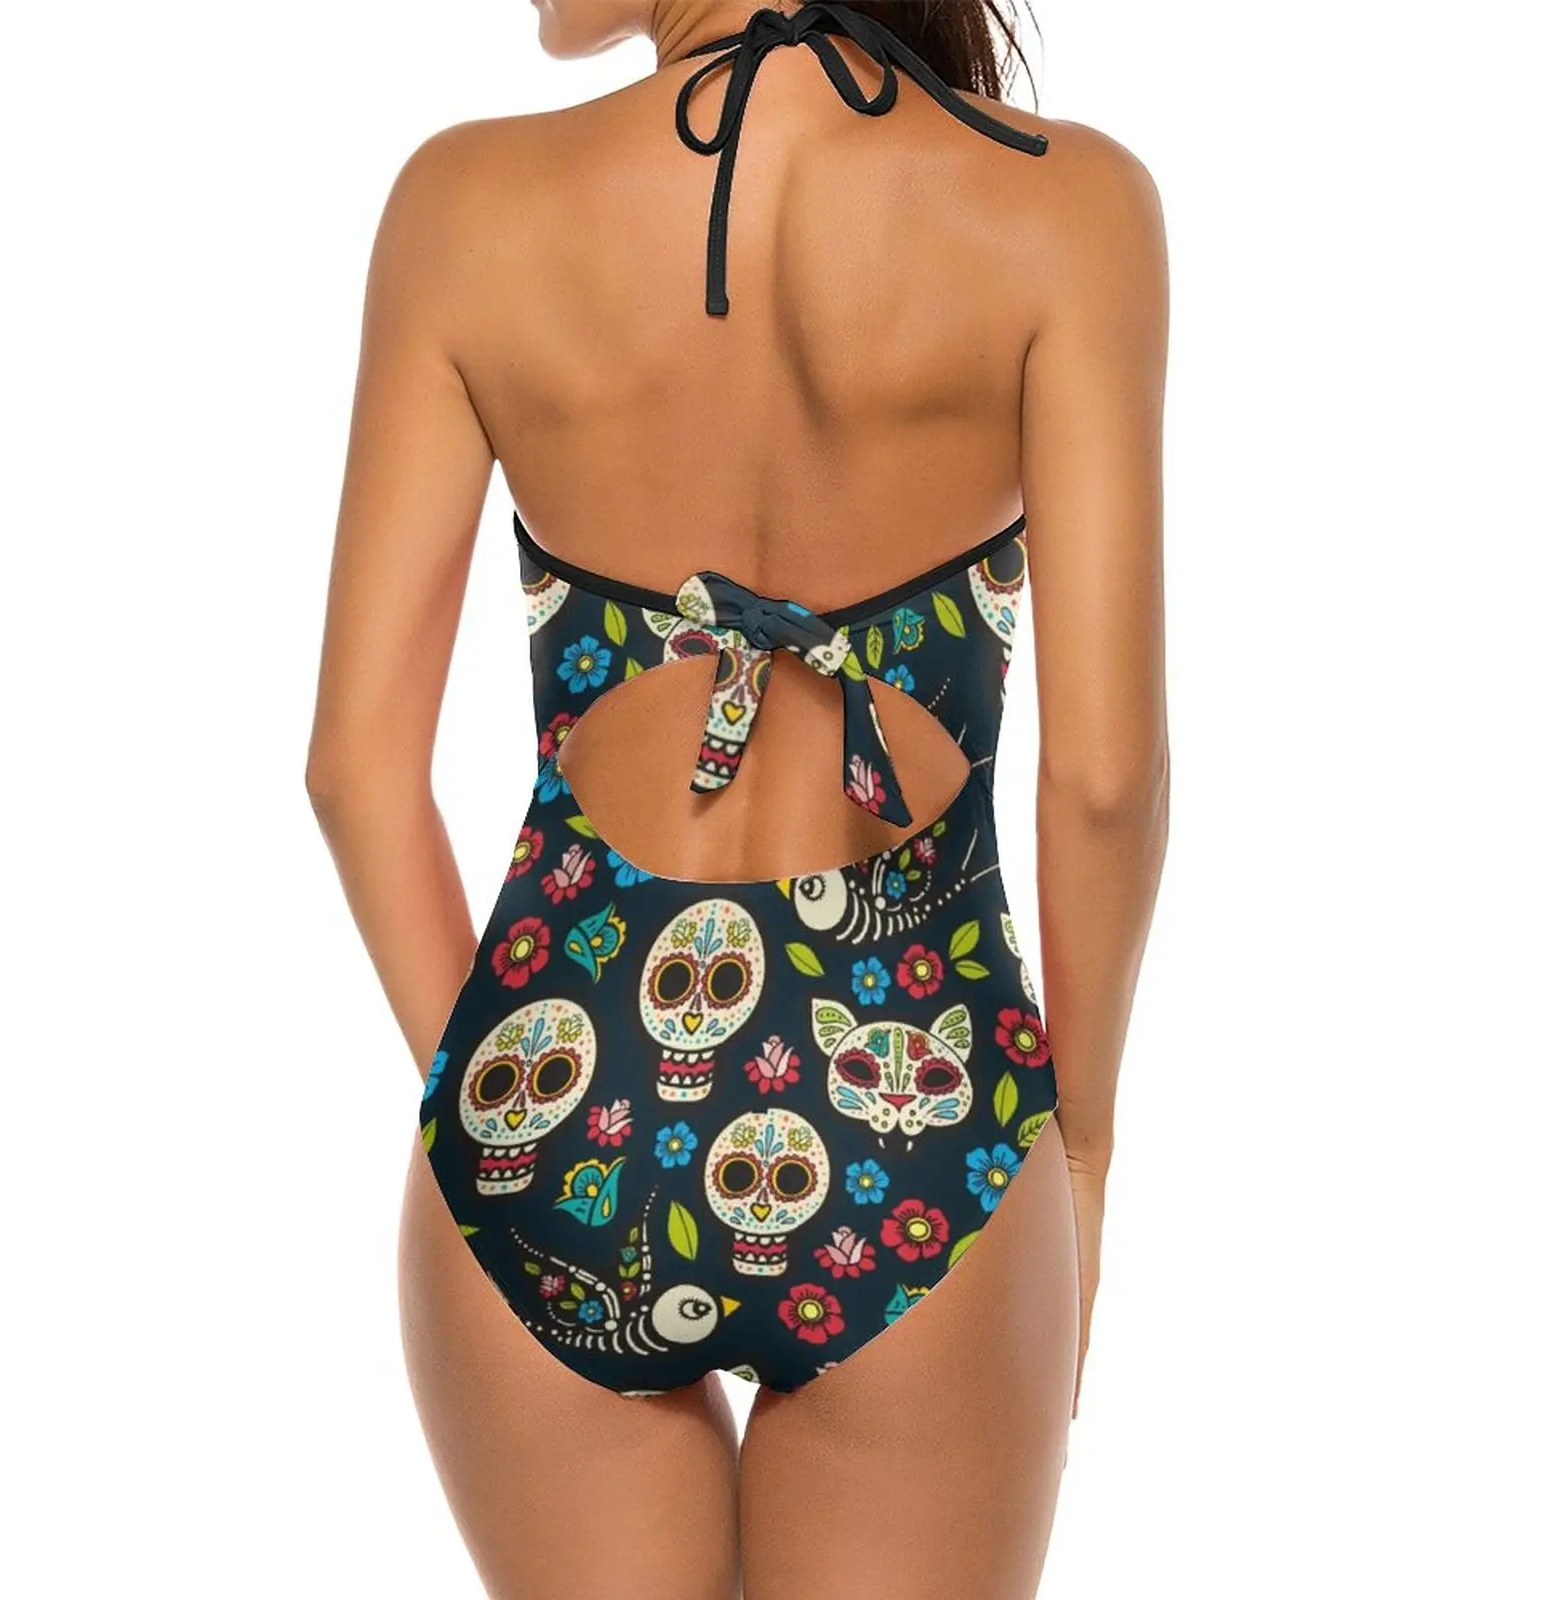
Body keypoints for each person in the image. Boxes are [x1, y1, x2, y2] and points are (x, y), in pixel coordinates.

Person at [306, 2, 1168, 1594]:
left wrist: (499, 1116)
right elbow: (1105, 783)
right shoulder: (1070, 208)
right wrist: (1081, 1153)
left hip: (554, 1072)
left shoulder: (461, 208)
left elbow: (355, 770)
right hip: (922, 1096)